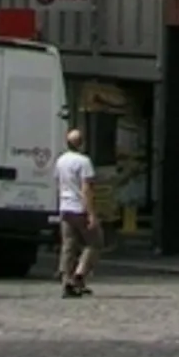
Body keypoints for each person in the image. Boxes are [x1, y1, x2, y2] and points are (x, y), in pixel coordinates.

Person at [55, 127, 99, 299]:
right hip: (79, 208)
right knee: (95, 242)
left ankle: (66, 281)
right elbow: (86, 188)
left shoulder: (61, 161)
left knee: (68, 245)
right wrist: (91, 213)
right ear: (81, 143)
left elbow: (59, 182)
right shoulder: (84, 161)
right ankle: (79, 275)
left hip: (65, 207)